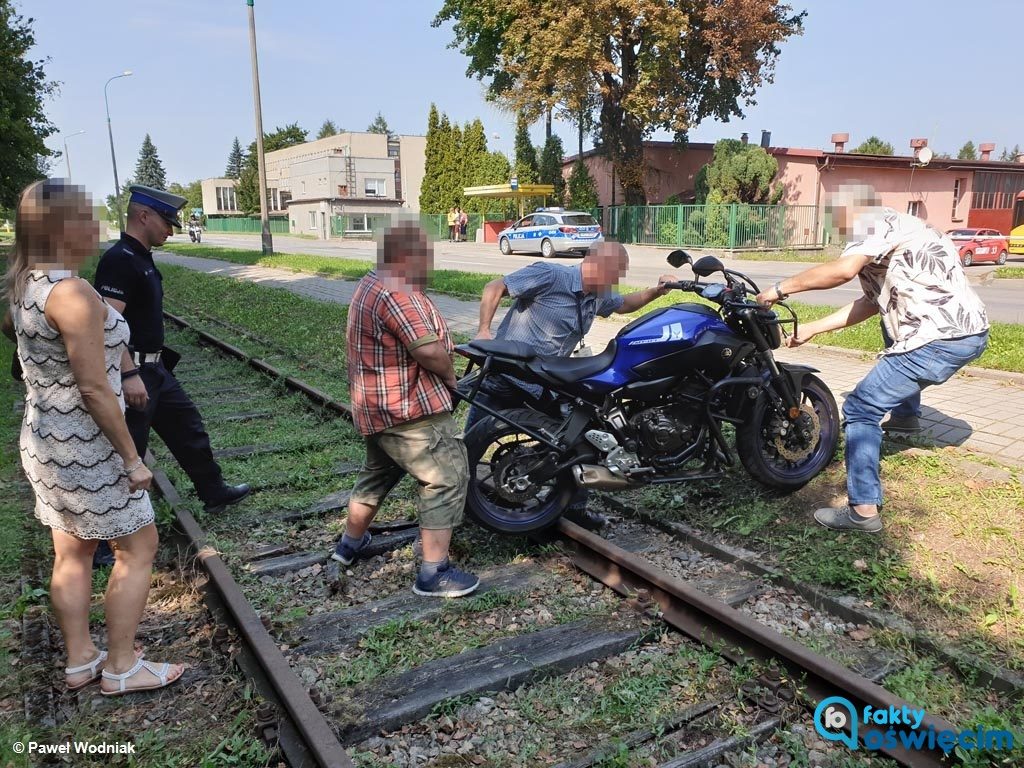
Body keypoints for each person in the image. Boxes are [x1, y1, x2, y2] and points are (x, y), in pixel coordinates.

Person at [6, 179, 183, 695]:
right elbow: (93, 388)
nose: (97, 228)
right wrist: (132, 459)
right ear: (63, 228)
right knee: (138, 546)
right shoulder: (73, 292)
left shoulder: (28, 284)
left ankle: (82, 659)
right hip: (86, 446)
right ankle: (123, 666)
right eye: (87, 218)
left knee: (73, 553)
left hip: (46, 439)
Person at [755, 183, 989, 533]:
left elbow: (842, 271)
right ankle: (906, 418)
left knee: (861, 408)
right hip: (968, 330)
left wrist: (779, 289)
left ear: (853, 212)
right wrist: (814, 328)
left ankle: (863, 511)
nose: (835, 229)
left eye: (836, 220)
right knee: (891, 330)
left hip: (939, 337)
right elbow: (871, 303)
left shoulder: (874, 224)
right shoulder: (903, 227)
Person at [470, 241, 678, 529]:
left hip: (543, 383)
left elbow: (625, 304)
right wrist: (483, 331)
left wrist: (656, 291)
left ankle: (574, 509)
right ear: (595, 265)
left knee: (576, 440)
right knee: (467, 449)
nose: (616, 281)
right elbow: (495, 287)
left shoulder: (597, 295)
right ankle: (458, 508)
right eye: (615, 273)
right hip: (506, 376)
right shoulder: (551, 275)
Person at [335, 219, 479, 598]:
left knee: (376, 477)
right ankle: (434, 573)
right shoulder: (396, 291)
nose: (429, 262)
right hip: (409, 411)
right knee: (445, 477)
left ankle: (349, 546)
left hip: (377, 408)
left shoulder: (371, 282)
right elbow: (428, 350)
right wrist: (450, 378)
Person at [94, 186, 250, 518]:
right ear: (143, 216)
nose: (170, 229)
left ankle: (214, 492)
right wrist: (129, 374)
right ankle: (108, 534)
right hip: (134, 373)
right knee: (129, 448)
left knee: (188, 427)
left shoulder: (141, 258)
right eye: (166, 221)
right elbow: (105, 324)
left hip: (156, 370)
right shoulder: (119, 261)